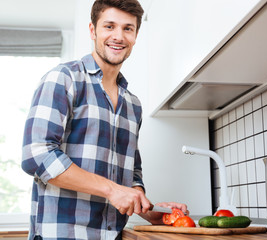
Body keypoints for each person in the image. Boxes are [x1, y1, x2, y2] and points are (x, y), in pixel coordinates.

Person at [21, 0, 188, 239]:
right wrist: (112, 190)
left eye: (127, 28)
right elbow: (36, 155)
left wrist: (147, 208)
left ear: (136, 35)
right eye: (109, 26)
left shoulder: (133, 104)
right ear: (93, 30)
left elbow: (132, 171)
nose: (118, 36)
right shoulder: (64, 79)